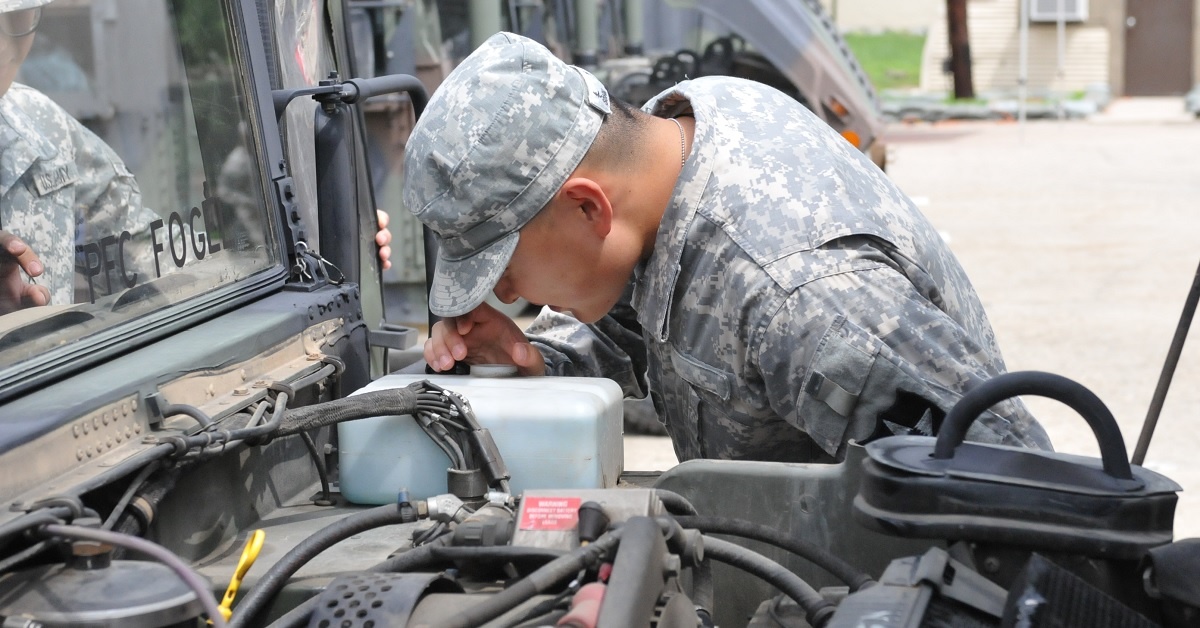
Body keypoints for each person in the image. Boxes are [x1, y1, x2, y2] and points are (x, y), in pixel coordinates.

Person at [406, 32, 1051, 463]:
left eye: (503, 263)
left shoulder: (802, 300)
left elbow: (1015, 498)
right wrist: (537, 364)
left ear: (587, 206)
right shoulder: (666, 150)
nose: (505, 292)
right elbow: (649, 313)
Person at [0, 0, 392, 316]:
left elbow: (141, 248)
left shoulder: (41, 126)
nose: (5, 46)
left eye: (18, 20)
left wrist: (328, 243)